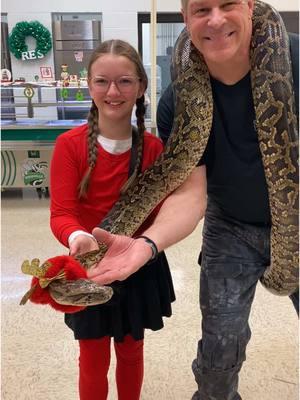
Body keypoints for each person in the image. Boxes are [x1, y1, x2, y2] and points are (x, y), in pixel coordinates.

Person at [87, 2, 299, 400]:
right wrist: (148, 244)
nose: (216, 20)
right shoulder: (178, 103)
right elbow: (190, 193)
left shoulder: (296, 60)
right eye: (202, 9)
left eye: (228, 5)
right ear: (185, 19)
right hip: (230, 225)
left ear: (251, 7)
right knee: (219, 351)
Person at [50, 39, 176, 400]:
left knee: (131, 351)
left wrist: (142, 245)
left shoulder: (153, 149)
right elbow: (61, 213)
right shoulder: (69, 146)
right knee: (91, 354)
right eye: (102, 81)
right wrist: (77, 238)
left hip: (137, 264)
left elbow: (160, 215)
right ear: (89, 86)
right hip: (87, 265)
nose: (113, 91)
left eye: (124, 81)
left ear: (140, 88)